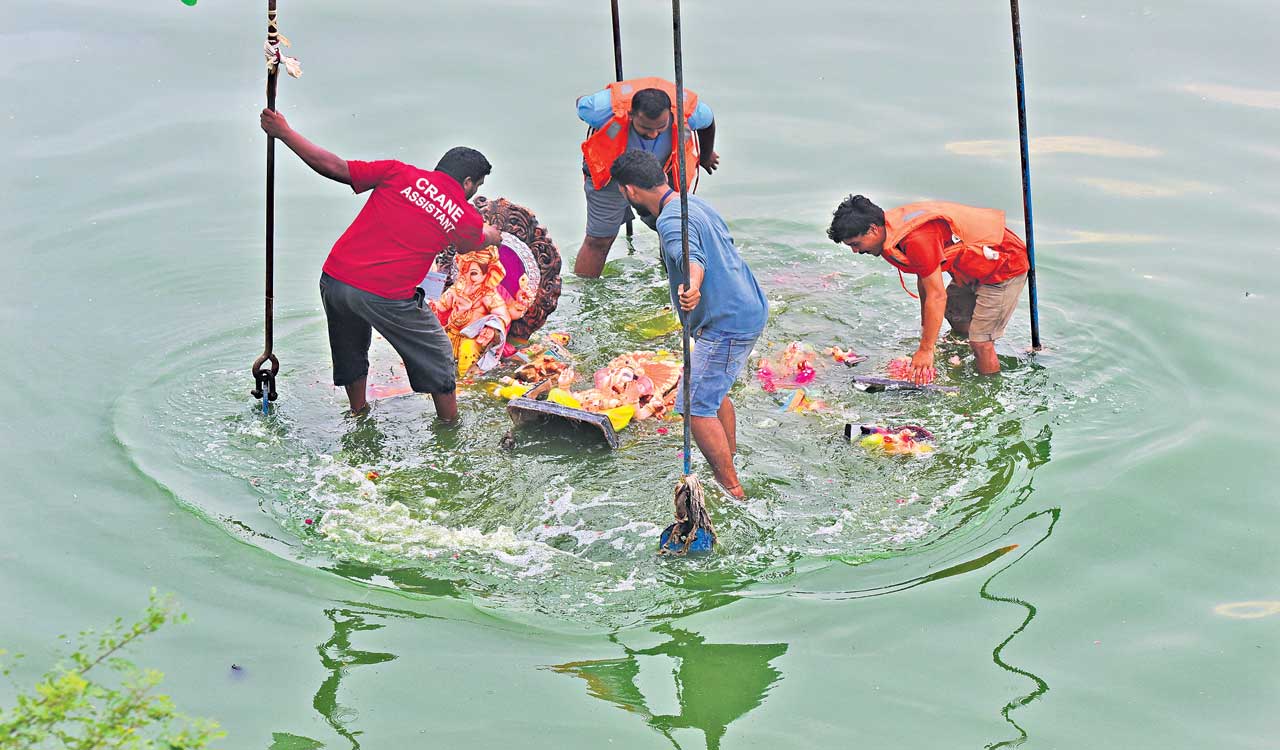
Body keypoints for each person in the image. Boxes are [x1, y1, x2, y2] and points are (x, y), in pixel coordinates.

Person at [259, 109, 502, 417]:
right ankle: (450, 424)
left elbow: (335, 167)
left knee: (351, 349)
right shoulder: (463, 214)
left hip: (335, 279)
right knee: (439, 353)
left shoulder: (397, 172)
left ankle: (358, 412)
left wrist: (284, 132)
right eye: (477, 186)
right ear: (468, 182)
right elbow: (471, 242)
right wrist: (492, 235)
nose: (475, 193)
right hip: (384, 295)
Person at [609, 151, 767, 499]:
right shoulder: (693, 202)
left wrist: (693, 287)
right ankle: (730, 459)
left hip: (728, 322)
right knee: (712, 393)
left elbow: (692, 257)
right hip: (748, 306)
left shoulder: (670, 221)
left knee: (693, 406)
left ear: (630, 191)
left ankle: (732, 489)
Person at [826, 195, 1030, 384]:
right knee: (956, 317)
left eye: (856, 244)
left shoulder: (917, 239)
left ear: (873, 229)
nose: (856, 251)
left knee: (981, 343)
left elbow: (936, 295)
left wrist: (926, 349)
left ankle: (989, 390)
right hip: (971, 268)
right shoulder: (891, 232)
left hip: (1003, 267)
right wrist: (926, 331)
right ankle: (960, 355)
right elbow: (924, 279)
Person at [574, 78, 720, 278]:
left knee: (672, 227)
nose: (653, 134)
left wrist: (706, 155)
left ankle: (675, 283)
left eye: (660, 127)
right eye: (645, 128)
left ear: (670, 115)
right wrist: (600, 103)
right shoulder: (598, 109)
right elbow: (580, 103)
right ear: (631, 115)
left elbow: (709, 121)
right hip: (610, 172)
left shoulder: (690, 112)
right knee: (599, 238)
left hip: (660, 169)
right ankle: (585, 294)